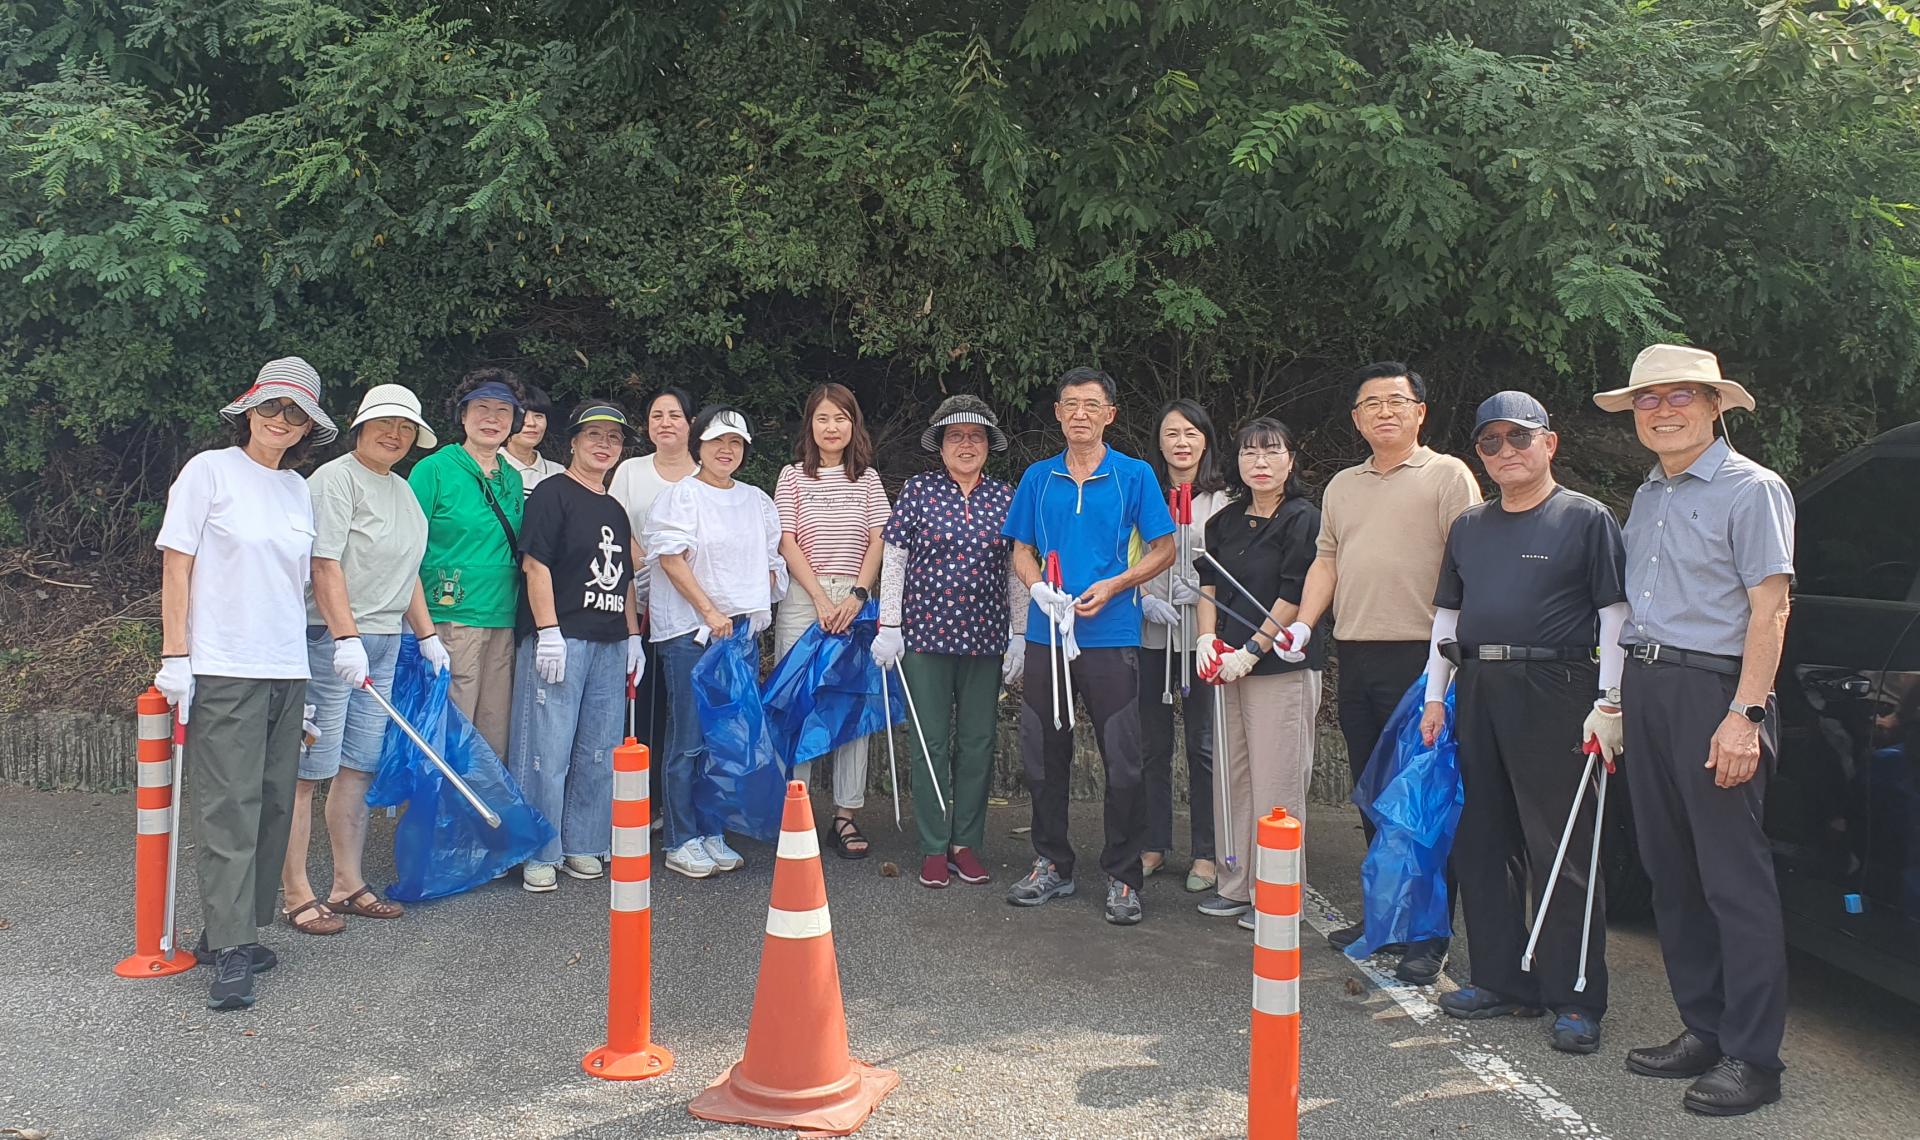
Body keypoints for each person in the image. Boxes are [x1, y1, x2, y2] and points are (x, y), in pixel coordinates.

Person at [1597, 345, 1794, 1116]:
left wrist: (1746, 715)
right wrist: (1617, 701)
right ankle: (1704, 1028)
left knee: (1732, 880)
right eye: (1648, 400)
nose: (1662, 411)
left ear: (1716, 405)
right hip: (1648, 688)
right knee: (1670, 870)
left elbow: (1771, 609)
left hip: (1716, 693)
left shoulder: (1753, 489)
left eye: (1681, 396)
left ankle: (1754, 1056)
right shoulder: (1649, 493)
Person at [1414, 392, 1628, 1056]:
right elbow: (1447, 616)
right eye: (1491, 441)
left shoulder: (1586, 519)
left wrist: (1611, 701)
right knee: (1482, 839)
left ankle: (1574, 996)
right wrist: (1434, 696)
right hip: (1479, 685)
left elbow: (1615, 617)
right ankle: (1501, 979)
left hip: (1558, 689)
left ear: (1549, 443)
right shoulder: (1469, 527)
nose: (1505, 451)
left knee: (1559, 847)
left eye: (1519, 437)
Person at [1286, 361, 1482, 984]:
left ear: (1420, 412)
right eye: (1371, 403)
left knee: (1423, 801)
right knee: (1374, 795)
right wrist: (1304, 624)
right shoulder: (1343, 486)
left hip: (1425, 659)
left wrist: (1452, 662)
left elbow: (1472, 564)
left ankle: (1429, 934)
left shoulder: (1448, 475)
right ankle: (1387, 918)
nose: (1384, 412)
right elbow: (1326, 562)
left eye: (1396, 401)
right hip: (1356, 652)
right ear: (1356, 418)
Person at [153, 357, 336, 1011]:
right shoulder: (209, 471)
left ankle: (233, 928)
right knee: (231, 806)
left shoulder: (296, 490)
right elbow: (177, 566)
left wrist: (325, 659)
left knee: (275, 803)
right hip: (225, 664)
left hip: (287, 666)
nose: (280, 419)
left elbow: (298, 584)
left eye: (295, 413)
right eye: (271, 406)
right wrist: (176, 654)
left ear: (308, 428)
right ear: (249, 411)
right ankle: (232, 947)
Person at [1002, 366, 1176, 926]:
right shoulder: (1038, 477)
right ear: (1057, 413)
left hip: (1112, 634)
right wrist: (1037, 589)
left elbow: (1165, 548)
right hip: (1046, 633)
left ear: (1110, 415)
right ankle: (1052, 863)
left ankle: (1123, 874)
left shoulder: (1135, 474)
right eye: (1070, 404)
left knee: (1124, 760)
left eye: (1092, 405)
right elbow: (1021, 549)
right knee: (1042, 756)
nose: (1080, 414)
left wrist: (1117, 585)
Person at [281, 384, 450, 936]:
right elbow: (323, 563)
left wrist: (427, 636)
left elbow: (409, 573)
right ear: (360, 426)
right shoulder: (334, 480)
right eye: (385, 423)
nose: (394, 435)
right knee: (307, 771)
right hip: (329, 642)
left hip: (382, 641)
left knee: (358, 766)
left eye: (405, 428)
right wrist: (344, 636)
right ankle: (296, 892)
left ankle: (347, 883)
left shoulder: (403, 491)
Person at [872, 395, 1024, 889]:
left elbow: (1016, 569)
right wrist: (889, 624)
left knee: (978, 743)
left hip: (986, 639)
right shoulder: (919, 491)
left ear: (988, 446)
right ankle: (934, 845)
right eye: (956, 436)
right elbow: (895, 558)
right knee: (930, 741)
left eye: (975, 436)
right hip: (924, 638)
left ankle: (966, 844)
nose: (966, 444)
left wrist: (1020, 633)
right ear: (940, 446)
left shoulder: (1005, 496)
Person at [1191, 418, 1326, 931]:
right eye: (1250, 453)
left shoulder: (1303, 519)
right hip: (1227, 665)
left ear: (1291, 460)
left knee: (1277, 783)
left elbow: (1293, 593)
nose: (1260, 463)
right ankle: (1234, 884)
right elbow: (1208, 586)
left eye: (1272, 452)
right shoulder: (1223, 522)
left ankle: (1276, 893)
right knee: (1234, 778)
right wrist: (1207, 640)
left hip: (1279, 667)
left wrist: (1252, 649)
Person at [508, 402, 646, 892]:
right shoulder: (552, 493)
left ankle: (583, 843)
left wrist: (634, 635)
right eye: (594, 435)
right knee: (546, 750)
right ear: (573, 441)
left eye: (614, 437)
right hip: (561, 638)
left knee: (597, 751)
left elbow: (624, 578)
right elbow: (535, 565)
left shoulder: (615, 509)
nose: (604, 445)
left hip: (609, 641)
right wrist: (547, 631)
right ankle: (538, 849)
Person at [644, 406, 785, 879]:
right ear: (699, 445)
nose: (727, 450)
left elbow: (771, 564)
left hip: (738, 636)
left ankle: (711, 830)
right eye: (717, 441)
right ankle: (680, 838)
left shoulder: (756, 501)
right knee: (687, 738)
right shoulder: (681, 496)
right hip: (691, 633)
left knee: (725, 740)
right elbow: (671, 559)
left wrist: (748, 607)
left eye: (736, 443)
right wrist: (709, 610)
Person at [774, 383, 890, 858]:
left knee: (852, 706)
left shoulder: (868, 480)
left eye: (841, 418)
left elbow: (880, 539)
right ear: (810, 424)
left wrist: (858, 595)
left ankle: (846, 815)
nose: (831, 427)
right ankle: (794, 810)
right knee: (796, 702)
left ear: (853, 424)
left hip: (855, 598)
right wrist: (821, 598)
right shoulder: (791, 477)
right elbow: (786, 540)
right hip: (805, 597)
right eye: (822, 418)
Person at [408, 368, 527, 758]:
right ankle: (438, 799)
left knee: (493, 734)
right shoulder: (433, 470)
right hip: (450, 617)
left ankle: (482, 800)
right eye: (481, 408)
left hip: (502, 617)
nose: (492, 418)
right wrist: (423, 631)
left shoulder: (512, 478)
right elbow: (406, 550)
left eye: (503, 411)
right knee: (448, 730)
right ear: (462, 415)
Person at [1137, 398, 1226, 891]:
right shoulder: (1143, 493)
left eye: (1191, 433)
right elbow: (1124, 555)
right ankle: (1153, 842)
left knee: (1204, 745)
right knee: (1153, 744)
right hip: (1153, 633)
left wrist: (1208, 601)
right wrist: (1144, 597)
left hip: (1204, 637)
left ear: (1206, 440)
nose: (1181, 443)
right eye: (1172, 433)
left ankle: (1206, 852)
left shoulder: (1225, 500)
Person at [609, 387, 698, 817]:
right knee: (640, 704)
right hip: (639, 604)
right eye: (657, 415)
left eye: (674, 415)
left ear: (691, 424)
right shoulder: (630, 471)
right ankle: (637, 803)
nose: (665, 423)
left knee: (681, 710)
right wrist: (649, 562)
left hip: (689, 612)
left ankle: (672, 804)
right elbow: (612, 523)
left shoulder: (704, 475)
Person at [502, 383, 565, 497]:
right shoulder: (489, 467)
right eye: (522, 415)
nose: (531, 423)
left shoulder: (558, 473)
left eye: (538, 416)